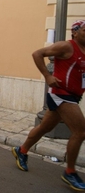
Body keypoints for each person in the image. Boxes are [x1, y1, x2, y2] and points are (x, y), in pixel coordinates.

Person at [11, 20, 85, 191]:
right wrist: (47, 76)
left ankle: (21, 150)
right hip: (61, 94)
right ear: (74, 32)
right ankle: (70, 172)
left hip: (74, 96)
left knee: (45, 127)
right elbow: (37, 53)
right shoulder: (66, 46)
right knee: (80, 131)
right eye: (84, 30)